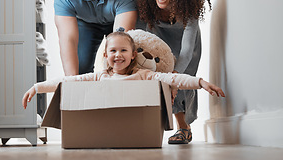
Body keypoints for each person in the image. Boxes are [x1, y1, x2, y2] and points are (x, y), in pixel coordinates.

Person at [22, 31, 225, 109]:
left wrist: (200, 83)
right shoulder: (100, 76)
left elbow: (174, 79)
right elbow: (68, 82)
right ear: (105, 55)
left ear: (133, 55)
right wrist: (37, 88)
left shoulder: (143, 76)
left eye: (123, 51)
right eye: (113, 51)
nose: (118, 55)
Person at [136, 0, 212, 144]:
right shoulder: (145, 5)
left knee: (181, 80)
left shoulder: (189, 6)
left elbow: (186, 51)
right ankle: (151, 126)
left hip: (187, 46)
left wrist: (175, 77)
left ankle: (183, 128)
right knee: (159, 80)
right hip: (159, 43)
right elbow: (137, 37)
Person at [54, 0, 137, 76]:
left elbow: (122, 40)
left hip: (116, 20)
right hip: (86, 23)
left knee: (121, 62)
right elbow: (68, 40)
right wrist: (72, 82)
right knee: (81, 67)